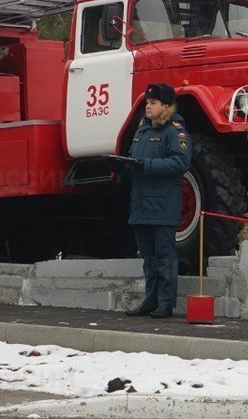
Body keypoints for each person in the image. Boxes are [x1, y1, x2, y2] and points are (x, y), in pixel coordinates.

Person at [111, 82, 193, 319]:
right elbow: (134, 161)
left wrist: (146, 165)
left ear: (165, 106)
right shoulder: (141, 132)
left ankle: (166, 303)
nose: (147, 106)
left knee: (165, 256)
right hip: (141, 205)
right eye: (147, 102)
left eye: (153, 103)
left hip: (163, 204)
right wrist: (121, 166)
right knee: (148, 257)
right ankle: (150, 300)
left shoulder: (174, 132)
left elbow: (180, 163)